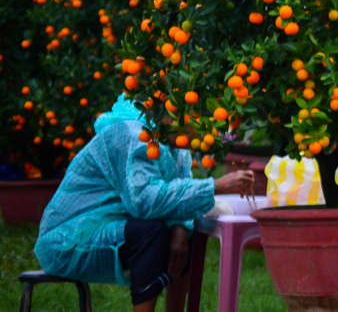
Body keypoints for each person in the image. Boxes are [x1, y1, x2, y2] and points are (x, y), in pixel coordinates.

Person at [35, 96, 254, 312]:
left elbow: (181, 187)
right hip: (68, 239)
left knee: (187, 232)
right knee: (151, 232)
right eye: (203, 123)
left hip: (108, 226)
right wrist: (215, 186)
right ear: (174, 116)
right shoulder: (133, 134)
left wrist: (180, 227)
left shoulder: (176, 145)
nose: (207, 133)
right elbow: (144, 201)